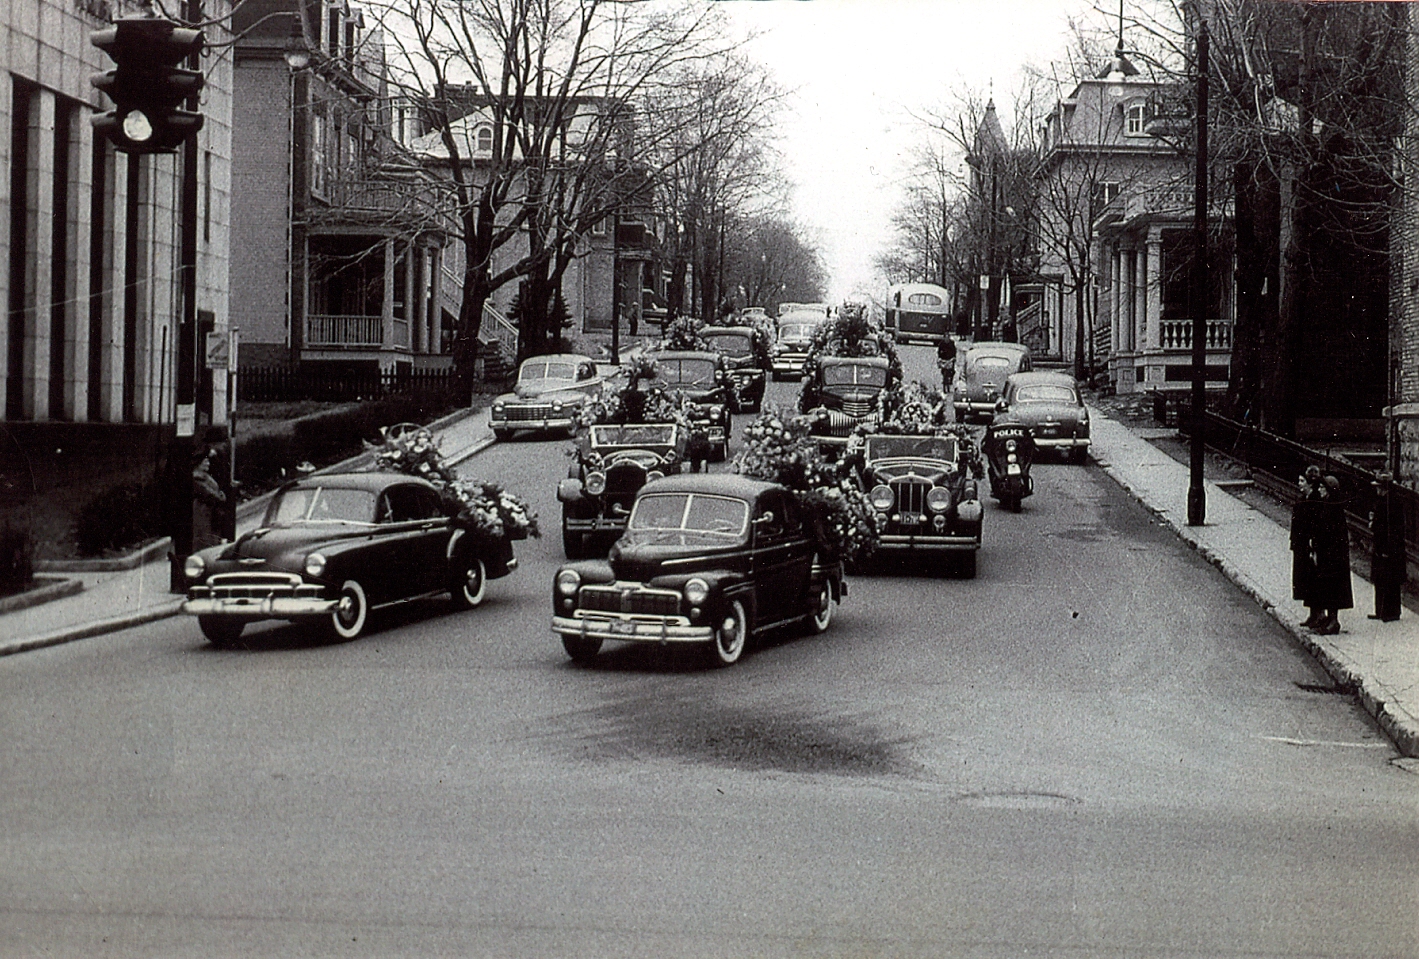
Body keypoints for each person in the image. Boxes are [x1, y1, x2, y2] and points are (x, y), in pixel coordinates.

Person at [1308, 473, 1354, 635]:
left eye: (1322, 487)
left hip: (1333, 556)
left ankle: (1334, 620)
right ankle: (1328, 618)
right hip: (1325, 554)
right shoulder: (1325, 504)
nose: (1319, 490)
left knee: (1333, 587)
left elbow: (1333, 534)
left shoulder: (1334, 508)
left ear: (1329, 490)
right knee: (1326, 586)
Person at [1368, 472, 1406, 622]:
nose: (1377, 490)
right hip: (1381, 546)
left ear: (1385, 488)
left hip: (1390, 548)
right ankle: (1381, 610)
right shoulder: (1382, 501)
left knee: (1390, 579)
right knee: (1380, 578)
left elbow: (1393, 529)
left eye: (1379, 487)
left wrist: (1387, 549)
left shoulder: (1392, 503)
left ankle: (1391, 612)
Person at [1291, 466, 1322, 628]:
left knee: (1313, 580)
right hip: (1300, 545)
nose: (1299, 484)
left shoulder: (1315, 500)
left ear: (1311, 483)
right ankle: (1312, 613)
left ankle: (1318, 614)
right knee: (1305, 580)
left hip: (1309, 546)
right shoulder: (1304, 498)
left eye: (1302, 481)